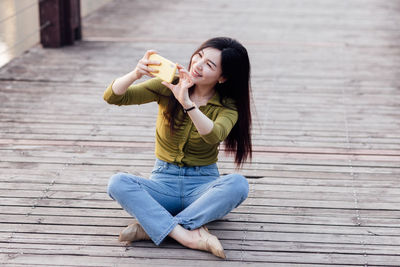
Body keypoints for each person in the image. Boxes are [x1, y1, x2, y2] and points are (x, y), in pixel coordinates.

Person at [103, 37, 252, 259]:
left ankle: (152, 227)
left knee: (238, 185)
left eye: (209, 65)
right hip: (162, 184)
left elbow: (213, 135)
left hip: (202, 188)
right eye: (199, 56)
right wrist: (136, 73)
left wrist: (187, 103)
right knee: (117, 182)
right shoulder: (168, 84)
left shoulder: (227, 106)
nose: (198, 65)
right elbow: (114, 97)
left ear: (222, 77)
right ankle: (186, 235)